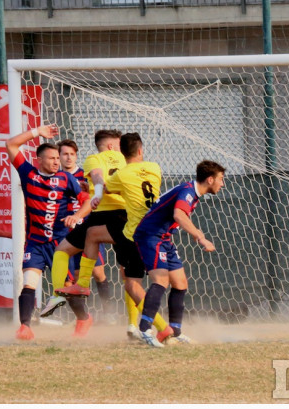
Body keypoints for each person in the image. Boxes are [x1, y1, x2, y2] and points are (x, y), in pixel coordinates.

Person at [56, 132, 173, 343]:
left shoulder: (97, 160)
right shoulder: (146, 167)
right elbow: (117, 185)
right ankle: (156, 326)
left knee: (70, 246)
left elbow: (101, 180)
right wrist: (93, 188)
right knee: (131, 282)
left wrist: (96, 191)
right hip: (141, 224)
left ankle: (77, 288)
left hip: (112, 219)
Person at [6, 124, 91, 340]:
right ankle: (25, 327)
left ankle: (83, 319)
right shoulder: (28, 173)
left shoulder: (66, 179)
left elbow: (88, 202)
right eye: (52, 158)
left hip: (59, 244)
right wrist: (36, 133)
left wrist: (77, 216)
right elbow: (11, 144)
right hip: (34, 242)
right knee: (28, 283)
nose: (57, 161)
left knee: (66, 288)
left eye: (58, 158)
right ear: (40, 160)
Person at [133, 160, 226, 347]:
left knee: (180, 282)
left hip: (164, 238)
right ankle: (144, 329)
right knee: (160, 280)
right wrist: (200, 236)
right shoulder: (188, 192)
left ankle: (175, 331)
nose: (222, 184)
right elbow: (179, 215)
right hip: (151, 236)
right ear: (210, 179)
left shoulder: (192, 191)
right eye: (221, 179)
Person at [40, 139, 115, 322]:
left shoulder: (86, 175)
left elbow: (97, 196)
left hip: (89, 230)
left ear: (76, 156)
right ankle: (81, 317)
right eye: (64, 154)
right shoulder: (54, 177)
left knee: (98, 272)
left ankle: (109, 312)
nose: (67, 158)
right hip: (66, 233)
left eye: (71, 154)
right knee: (71, 278)